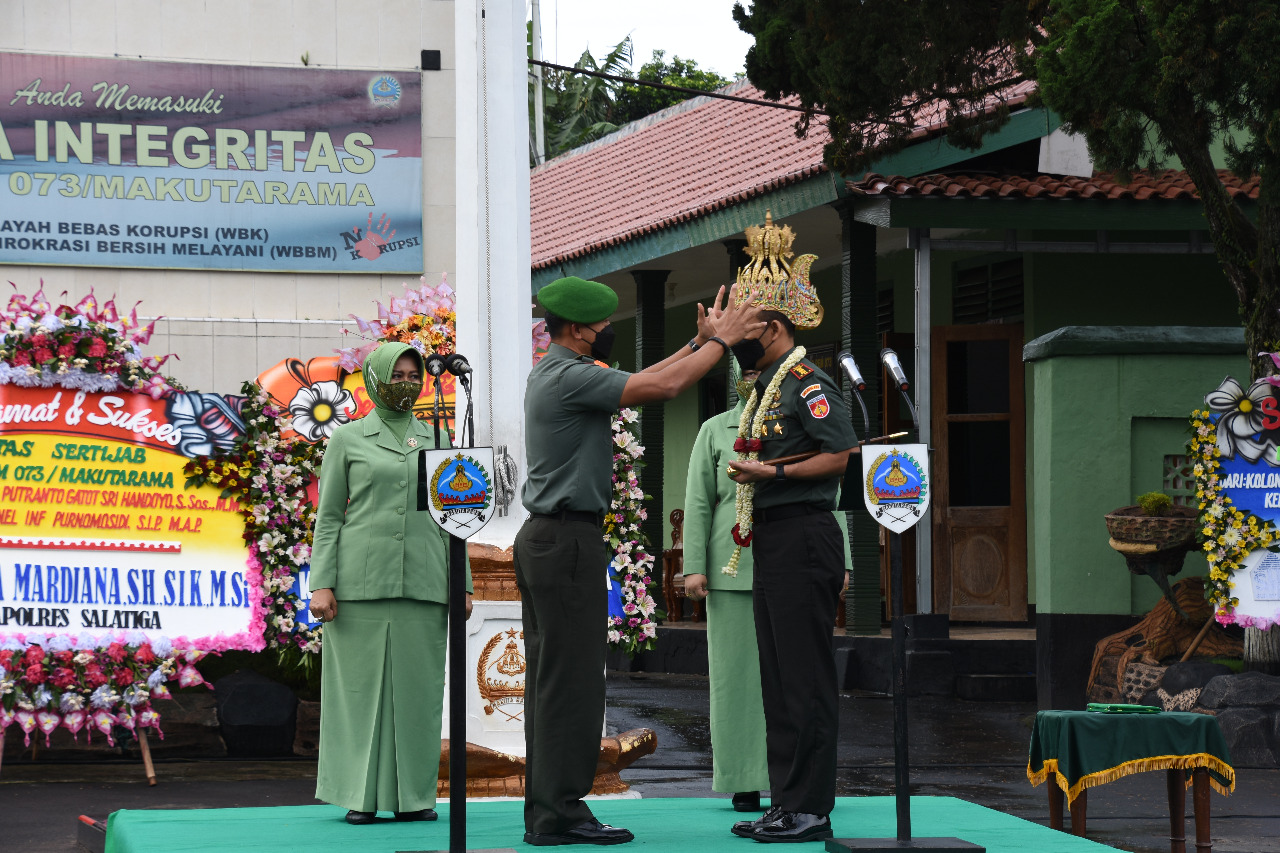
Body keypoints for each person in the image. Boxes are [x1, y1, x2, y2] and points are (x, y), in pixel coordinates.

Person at [517, 275, 762, 846]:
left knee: (557, 681)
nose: (607, 334)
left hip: (553, 540)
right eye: (602, 327)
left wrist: (700, 342)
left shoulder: (559, 370)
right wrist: (720, 344)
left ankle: (553, 810)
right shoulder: (571, 377)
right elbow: (666, 388)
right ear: (578, 330)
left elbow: (651, 375)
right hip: (566, 539)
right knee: (569, 683)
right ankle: (559, 814)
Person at [308, 341, 473, 825]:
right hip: (357, 587)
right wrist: (322, 582)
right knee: (358, 696)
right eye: (396, 374)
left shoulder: (438, 440)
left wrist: (459, 582)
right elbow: (329, 516)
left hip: (424, 584)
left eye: (412, 374)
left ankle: (416, 797)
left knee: (419, 696)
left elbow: (455, 519)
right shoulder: (348, 438)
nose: (406, 381)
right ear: (376, 378)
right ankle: (359, 797)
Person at [682, 359, 853, 816]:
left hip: (793, 555)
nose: (757, 380)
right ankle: (743, 778)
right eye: (750, 373)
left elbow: (829, 490)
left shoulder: (795, 419)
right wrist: (693, 565)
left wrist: (846, 561)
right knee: (738, 681)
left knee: (792, 679)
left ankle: (789, 787)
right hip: (732, 568)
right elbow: (698, 500)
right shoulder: (716, 428)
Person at [722, 290, 859, 843]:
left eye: (745, 332)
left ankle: (811, 808)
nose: (737, 346)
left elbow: (841, 452)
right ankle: (785, 802)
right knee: (777, 678)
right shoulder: (764, 389)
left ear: (774, 328)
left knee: (804, 677)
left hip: (804, 533)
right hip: (776, 540)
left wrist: (774, 476)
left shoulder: (807, 382)